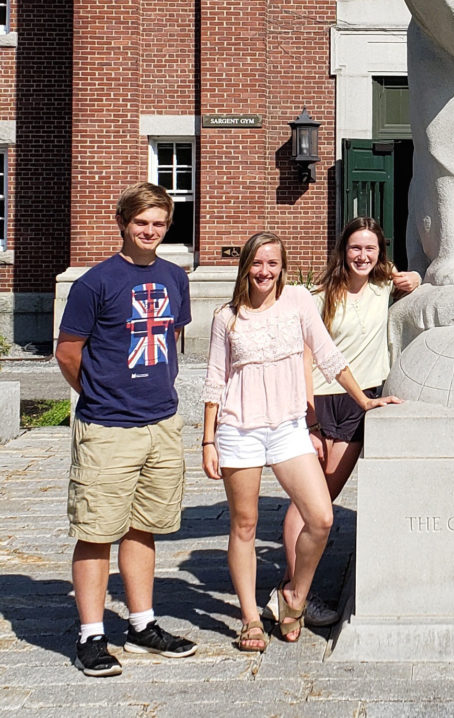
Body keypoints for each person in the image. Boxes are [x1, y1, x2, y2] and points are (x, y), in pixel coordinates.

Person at [201, 231, 398, 652]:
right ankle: (251, 619)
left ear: (282, 267)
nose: (264, 271)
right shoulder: (226, 317)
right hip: (239, 430)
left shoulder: (299, 302)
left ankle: (294, 597)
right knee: (245, 525)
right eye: (257, 263)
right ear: (245, 267)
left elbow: (328, 355)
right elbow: (215, 380)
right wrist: (207, 440)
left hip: (288, 427)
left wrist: (365, 400)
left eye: (272, 263)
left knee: (321, 517)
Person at [55, 182, 197, 677]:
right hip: (108, 426)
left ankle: (142, 624)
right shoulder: (95, 283)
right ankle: (92, 635)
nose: (150, 231)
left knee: (145, 526)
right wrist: (98, 393)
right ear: (123, 222)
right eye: (142, 222)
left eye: (158, 223)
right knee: (97, 530)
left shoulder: (175, 278)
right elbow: (68, 352)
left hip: (160, 422)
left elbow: (172, 338)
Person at [263, 217, 420, 626]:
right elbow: (305, 358)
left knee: (323, 498)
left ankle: (291, 593)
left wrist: (417, 278)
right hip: (319, 403)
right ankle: (296, 593)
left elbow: (416, 280)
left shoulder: (385, 288)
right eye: (355, 248)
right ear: (342, 251)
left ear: (379, 253)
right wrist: (310, 421)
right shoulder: (318, 296)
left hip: (361, 402)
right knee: (309, 501)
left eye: (370, 248)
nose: (362, 256)